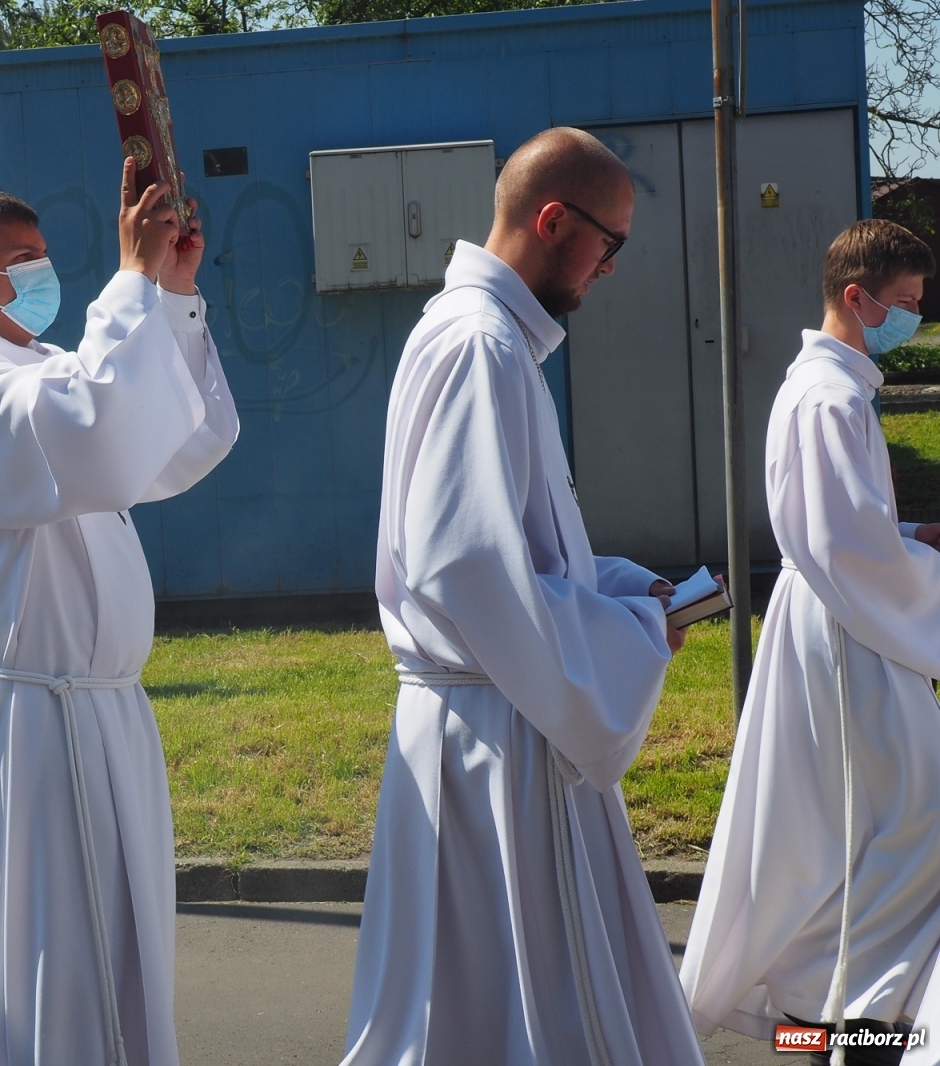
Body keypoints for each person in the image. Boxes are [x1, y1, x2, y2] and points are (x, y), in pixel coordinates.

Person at [340, 127, 704, 1066]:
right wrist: (629, 632)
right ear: (553, 220)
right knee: (516, 1006)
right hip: (495, 732)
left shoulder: (488, 338)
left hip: (491, 714)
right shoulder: (479, 345)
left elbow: (516, 550)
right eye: (610, 244)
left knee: (483, 1002)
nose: (609, 268)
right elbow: (466, 566)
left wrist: (621, 588)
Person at [0, 160, 238, 1066]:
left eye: (44, 257)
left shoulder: (31, 362)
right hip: (28, 723)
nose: (45, 274)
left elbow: (169, 445)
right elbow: (92, 428)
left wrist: (171, 291)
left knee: (105, 950)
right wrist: (130, 281)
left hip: (96, 710)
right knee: (44, 957)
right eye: (25, 259)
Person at [681, 219, 938, 1066]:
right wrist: (912, 563)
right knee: (897, 831)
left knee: (847, 840)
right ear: (854, 297)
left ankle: (829, 1024)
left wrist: (909, 535)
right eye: (901, 305)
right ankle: (856, 1028)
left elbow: (851, 527)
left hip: (840, 618)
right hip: (848, 633)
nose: (912, 321)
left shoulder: (835, 387)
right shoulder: (828, 397)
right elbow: (843, 548)